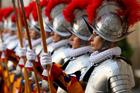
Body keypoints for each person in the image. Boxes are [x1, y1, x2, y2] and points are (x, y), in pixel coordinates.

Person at [82, 0, 140, 92]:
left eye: (95, 34)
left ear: (107, 39)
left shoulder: (116, 67)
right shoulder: (96, 63)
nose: (90, 39)